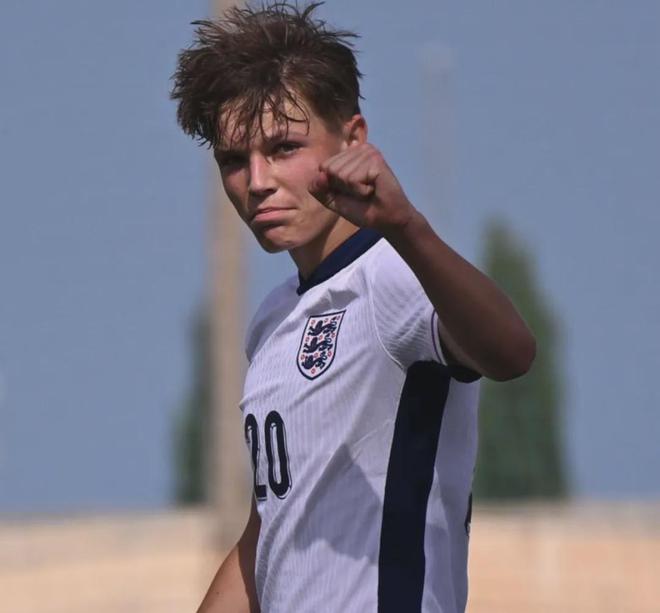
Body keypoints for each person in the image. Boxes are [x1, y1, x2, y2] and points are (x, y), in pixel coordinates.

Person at [171, 3, 535, 612]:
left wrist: (409, 227)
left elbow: (513, 353)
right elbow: (270, 529)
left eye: (283, 147)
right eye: (234, 160)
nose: (257, 181)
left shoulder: (394, 273)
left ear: (353, 139)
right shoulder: (273, 320)